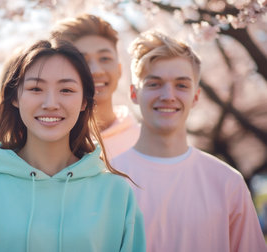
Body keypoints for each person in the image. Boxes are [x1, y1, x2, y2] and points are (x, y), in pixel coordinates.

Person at [0, 39, 146, 252]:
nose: (51, 103)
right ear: (15, 97)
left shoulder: (116, 194)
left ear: (84, 102)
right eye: (36, 88)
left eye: (66, 90)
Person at [111, 31, 267, 251]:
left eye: (181, 85)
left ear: (195, 96)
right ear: (134, 93)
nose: (168, 95)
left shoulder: (228, 182)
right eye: (154, 84)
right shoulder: (107, 181)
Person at [50, 14, 140, 159]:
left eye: (105, 58)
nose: (96, 70)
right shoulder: (49, 141)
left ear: (119, 69)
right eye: (82, 60)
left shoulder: (142, 141)